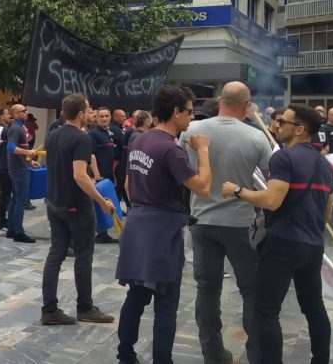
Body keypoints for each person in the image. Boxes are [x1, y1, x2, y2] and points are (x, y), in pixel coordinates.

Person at [220, 104, 333, 364]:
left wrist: (238, 191)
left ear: (300, 130)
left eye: (284, 122)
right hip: (313, 246)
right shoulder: (325, 164)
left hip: (283, 244)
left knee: (266, 311)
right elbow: (327, 212)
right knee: (314, 308)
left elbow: (272, 201)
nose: (278, 125)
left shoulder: (283, 157)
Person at [116, 84, 212, 364]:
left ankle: (125, 355)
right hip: (162, 232)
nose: (191, 118)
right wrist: (203, 152)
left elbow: (129, 184)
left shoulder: (140, 140)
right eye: (189, 112)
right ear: (176, 111)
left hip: (138, 224)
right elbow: (203, 187)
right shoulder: (171, 149)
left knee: (136, 297)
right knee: (166, 305)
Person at [181, 82, 271, 364]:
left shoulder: (191, 131)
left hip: (202, 220)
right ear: (246, 106)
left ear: (220, 100)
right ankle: (257, 355)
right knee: (251, 290)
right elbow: (269, 181)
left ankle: (213, 354)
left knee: (207, 289)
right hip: (240, 223)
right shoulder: (256, 137)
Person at [40, 93, 117, 326]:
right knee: (83, 257)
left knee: (55, 254)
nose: (92, 113)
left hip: (55, 203)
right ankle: (85, 307)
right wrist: (101, 201)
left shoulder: (53, 134)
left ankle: (49, 309)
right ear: (81, 113)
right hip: (76, 205)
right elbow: (80, 175)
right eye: (89, 109)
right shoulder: (81, 138)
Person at [6, 104, 39, 243]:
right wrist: (28, 152)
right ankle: (18, 232)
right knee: (20, 200)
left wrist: (30, 162)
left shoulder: (19, 127)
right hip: (18, 169)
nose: (26, 112)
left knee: (15, 199)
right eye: (23, 111)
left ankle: (11, 229)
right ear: (15, 114)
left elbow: (18, 148)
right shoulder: (15, 128)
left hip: (20, 166)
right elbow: (11, 148)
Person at [88, 107, 120, 244]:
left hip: (108, 173)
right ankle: (99, 234)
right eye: (101, 116)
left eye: (106, 116)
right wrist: (96, 175)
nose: (104, 118)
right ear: (96, 118)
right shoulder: (93, 134)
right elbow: (91, 154)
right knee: (98, 204)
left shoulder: (108, 132)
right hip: (98, 175)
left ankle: (103, 233)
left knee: (105, 202)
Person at [0, 107, 13, 234]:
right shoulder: (2, 130)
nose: (9, 115)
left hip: (3, 165)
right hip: (4, 166)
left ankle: (5, 222)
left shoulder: (0, 129)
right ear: (1, 117)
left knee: (6, 194)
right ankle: (2, 223)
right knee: (5, 195)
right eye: (6, 114)